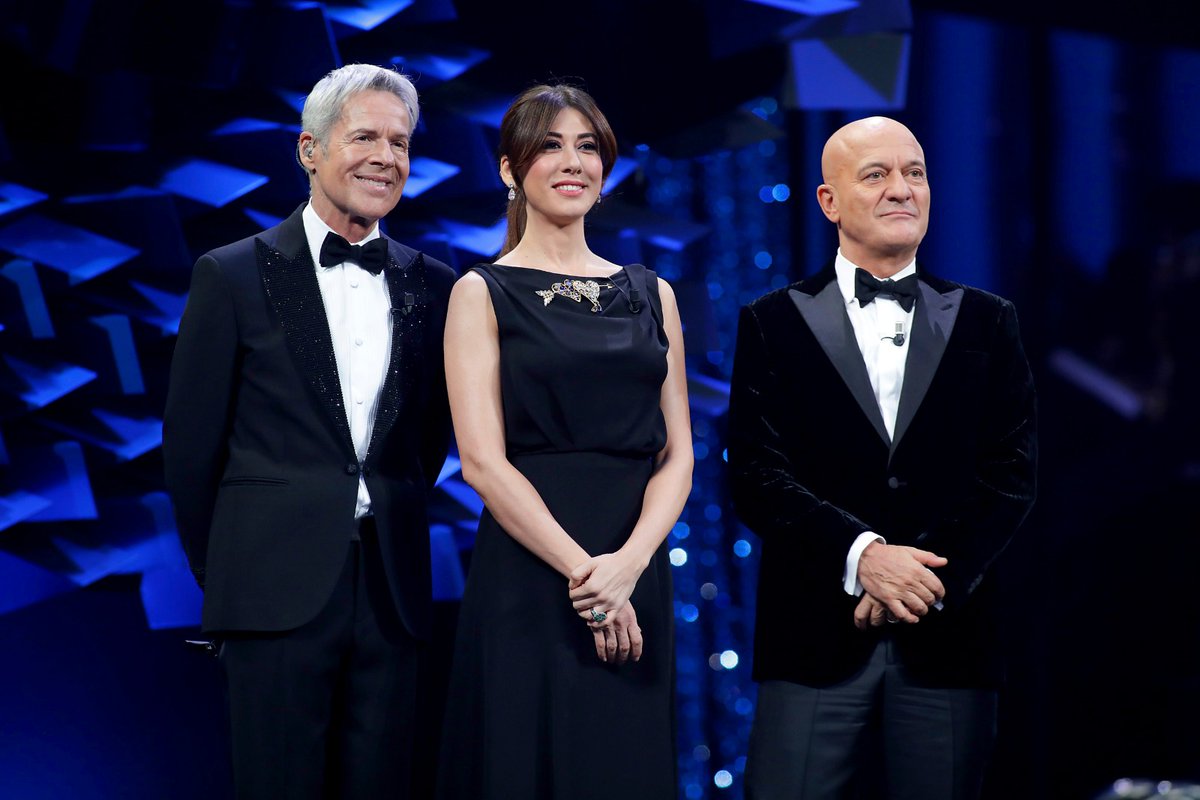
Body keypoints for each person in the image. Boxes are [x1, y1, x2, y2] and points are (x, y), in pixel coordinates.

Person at [162, 63, 456, 798]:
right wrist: (232, 580)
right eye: (364, 137)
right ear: (309, 150)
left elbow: (429, 442)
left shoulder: (436, 285)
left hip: (391, 593)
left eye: (400, 142)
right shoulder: (231, 274)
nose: (385, 157)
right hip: (270, 592)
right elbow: (191, 452)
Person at [728, 116, 1037, 799]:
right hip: (812, 639)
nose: (902, 189)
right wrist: (863, 555)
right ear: (829, 201)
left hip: (949, 640)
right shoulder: (772, 321)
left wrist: (922, 581)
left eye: (915, 173)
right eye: (877, 175)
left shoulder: (989, 321)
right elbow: (754, 474)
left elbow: (1010, 477)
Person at [435, 84, 692, 800]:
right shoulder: (480, 291)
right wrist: (590, 579)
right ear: (509, 170)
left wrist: (628, 567)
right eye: (549, 146)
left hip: (635, 568)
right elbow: (482, 463)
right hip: (533, 570)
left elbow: (678, 456)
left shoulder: (652, 293)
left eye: (587, 146)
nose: (572, 161)